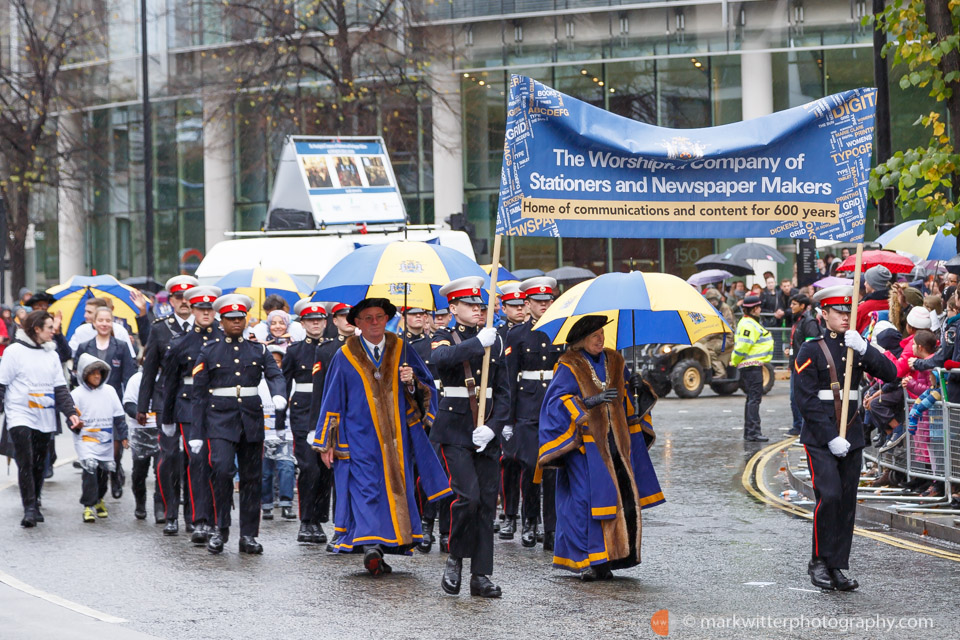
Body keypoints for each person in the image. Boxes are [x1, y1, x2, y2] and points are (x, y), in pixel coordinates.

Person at [310, 298, 449, 576]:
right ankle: (371, 544)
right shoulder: (344, 354)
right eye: (368, 318)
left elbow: (426, 394)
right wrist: (326, 441)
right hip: (358, 435)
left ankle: (384, 545)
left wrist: (411, 382)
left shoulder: (402, 349)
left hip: (397, 437)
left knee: (393, 491)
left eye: (379, 317)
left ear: (388, 319)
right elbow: (332, 397)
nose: (374, 322)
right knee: (365, 490)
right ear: (357, 323)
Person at [538, 315, 665, 580]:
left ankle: (611, 558)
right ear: (581, 339)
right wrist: (589, 402)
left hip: (617, 442)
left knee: (620, 498)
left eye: (602, 333)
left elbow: (630, 399)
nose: (601, 338)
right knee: (586, 500)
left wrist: (640, 387)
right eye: (594, 335)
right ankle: (587, 560)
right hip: (584, 443)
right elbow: (556, 402)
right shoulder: (568, 364)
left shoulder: (616, 359)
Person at [793, 285, 897, 591]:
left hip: (851, 433)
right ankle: (818, 561)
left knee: (846, 502)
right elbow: (806, 399)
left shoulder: (856, 346)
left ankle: (837, 565)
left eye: (848, 312)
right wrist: (828, 437)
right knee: (831, 496)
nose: (845, 317)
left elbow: (890, 374)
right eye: (839, 312)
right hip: (821, 436)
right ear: (824, 314)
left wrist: (867, 349)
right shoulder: (810, 349)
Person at [431, 276, 511, 598]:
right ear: (453, 308)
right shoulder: (442, 336)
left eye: (480, 305)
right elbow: (441, 360)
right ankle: (454, 557)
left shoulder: (496, 340)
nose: (478, 310)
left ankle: (480, 575)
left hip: (486, 431)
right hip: (455, 430)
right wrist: (479, 343)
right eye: (470, 305)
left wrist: (493, 426)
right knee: (469, 497)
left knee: (487, 504)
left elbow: (505, 393)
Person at [192, 294, 286, 554]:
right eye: (230, 319)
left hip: (251, 420)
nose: (236, 322)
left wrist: (279, 393)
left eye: (240, 318)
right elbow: (199, 394)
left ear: (246, 320)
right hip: (219, 419)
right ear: (221, 321)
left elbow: (275, 374)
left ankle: (248, 535)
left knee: (252, 479)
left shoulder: (259, 349)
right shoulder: (209, 350)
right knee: (221, 471)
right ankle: (219, 529)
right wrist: (196, 432)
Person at [0, 311, 83, 527]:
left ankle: (35, 499)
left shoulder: (52, 355)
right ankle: (29, 508)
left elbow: (60, 389)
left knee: (39, 463)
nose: (53, 331)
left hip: (44, 415)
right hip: (20, 414)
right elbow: (2, 385)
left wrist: (71, 413)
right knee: (25, 460)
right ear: (37, 329)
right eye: (49, 327)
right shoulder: (14, 352)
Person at [504, 276, 564, 550]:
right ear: (527, 304)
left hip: (553, 405)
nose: (544, 305)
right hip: (527, 407)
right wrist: (508, 419)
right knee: (529, 465)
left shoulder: (562, 330)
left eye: (547, 301)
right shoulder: (516, 334)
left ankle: (551, 528)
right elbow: (508, 377)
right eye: (538, 301)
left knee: (552, 468)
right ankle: (530, 521)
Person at [158, 286, 223, 540]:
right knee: (197, 463)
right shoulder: (181, 342)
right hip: (188, 407)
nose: (206, 313)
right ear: (193, 309)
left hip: (219, 406)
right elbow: (170, 383)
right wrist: (167, 418)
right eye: (201, 309)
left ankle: (218, 518)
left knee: (218, 463)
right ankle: (200, 520)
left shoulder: (224, 336)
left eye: (210, 309)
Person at [137, 275, 198, 526]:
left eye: (187, 297)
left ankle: (194, 514)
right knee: (169, 457)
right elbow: (150, 370)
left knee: (195, 457)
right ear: (170, 300)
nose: (183, 302)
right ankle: (169, 508)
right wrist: (143, 406)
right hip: (167, 399)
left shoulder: (205, 325)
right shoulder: (160, 328)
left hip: (197, 400)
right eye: (178, 297)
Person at [282, 299, 332, 544]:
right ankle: (305, 520)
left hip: (328, 409)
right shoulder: (294, 351)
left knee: (325, 470)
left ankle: (319, 521)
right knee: (309, 467)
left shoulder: (334, 348)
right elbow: (284, 381)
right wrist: (281, 417)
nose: (315, 324)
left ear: (325, 322)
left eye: (319, 320)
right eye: (310, 320)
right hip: (303, 411)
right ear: (302, 323)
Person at [75, 306, 137, 499]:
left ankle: (115, 473)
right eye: (100, 320)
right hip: (91, 406)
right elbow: (76, 376)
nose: (104, 324)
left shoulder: (121, 346)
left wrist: (131, 401)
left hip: (113, 402)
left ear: (113, 323)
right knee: (93, 449)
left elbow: (129, 376)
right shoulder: (85, 346)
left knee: (115, 447)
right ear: (94, 323)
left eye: (108, 321)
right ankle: (95, 492)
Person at [308, 301, 354, 551]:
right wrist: (318, 429)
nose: (347, 320)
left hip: (364, 418)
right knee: (340, 475)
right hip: (338, 419)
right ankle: (341, 527)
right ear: (333, 321)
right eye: (342, 316)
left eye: (351, 315)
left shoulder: (369, 345)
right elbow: (320, 392)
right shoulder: (326, 350)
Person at [401, 305, 440, 552]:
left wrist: (415, 382)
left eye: (422, 313)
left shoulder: (434, 345)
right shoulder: (397, 345)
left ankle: (427, 523)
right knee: (407, 471)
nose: (418, 317)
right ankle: (409, 523)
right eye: (413, 313)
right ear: (403, 317)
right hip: (403, 417)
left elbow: (432, 383)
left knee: (428, 470)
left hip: (428, 415)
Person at [72, 354, 128, 523]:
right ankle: (88, 505)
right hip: (86, 440)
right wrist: (75, 425)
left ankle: (99, 499)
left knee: (103, 473)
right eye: (93, 373)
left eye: (99, 373)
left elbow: (119, 417)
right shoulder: (77, 394)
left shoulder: (110, 391)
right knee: (90, 470)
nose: (97, 376)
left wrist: (124, 436)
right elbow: (71, 418)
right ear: (84, 374)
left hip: (105, 440)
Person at [496, 282, 526, 540]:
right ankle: (508, 514)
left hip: (528, 404)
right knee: (508, 463)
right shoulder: (498, 333)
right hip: (505, 404)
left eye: (521, 305)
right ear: (503, 308)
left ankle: (531, 517)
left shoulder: (535, 330)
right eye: (513, 306)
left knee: (530, 463)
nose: (518, 310)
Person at [122, 366, 162, 520]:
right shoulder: (136, 379)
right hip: (141, 431)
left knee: (161, 470)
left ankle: (160, 506)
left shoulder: (166, 377)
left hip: (161, 429)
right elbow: (128, 404)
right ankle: (140, 502)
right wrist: (138, 413)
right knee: (139, 471)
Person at [261, 345, 296, 520]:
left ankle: (286, 503)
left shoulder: (290, 380)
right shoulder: (258, 382)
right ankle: (266, 504)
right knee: (265, 471)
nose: (275, 365)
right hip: (264, 433)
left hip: (285, 432)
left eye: (278, 361)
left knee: (287, 467)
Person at [731, 295, 773, 442]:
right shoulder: (748, 324)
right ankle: (753, 432)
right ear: (754, 309)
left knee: (751, 399)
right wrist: (734, 361)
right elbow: (742, 347)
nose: (760, 309)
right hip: (752, 367)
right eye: (759, 307)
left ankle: (750, 432)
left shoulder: (749, 323)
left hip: (752, 366)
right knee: (754, 400)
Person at [787, 293, 821, 436]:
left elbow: (811, 344)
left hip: (803, 367)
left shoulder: (809, 322)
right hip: (795, 364)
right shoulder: (798, 320)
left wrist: (804, 364)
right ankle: (798, 426)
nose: (791, 307)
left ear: (802, 306)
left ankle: (802, 427)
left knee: (798, 397)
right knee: (794, 397)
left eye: (794, 304)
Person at [68, 297, 143, 358]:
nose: (85, 315)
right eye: (85, 311)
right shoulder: (81, 330)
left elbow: (130, 358)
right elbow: (69, 353)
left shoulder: (120, 331)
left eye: (89, 312)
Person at [701, 288, 735, 380]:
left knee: (708, 348)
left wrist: (709, 334)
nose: (712, 302)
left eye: (713, 299)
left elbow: (727, 326)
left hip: (727, 338)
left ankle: (721, 372)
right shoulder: (712, 310)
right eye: (710, 300)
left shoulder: (725, 308)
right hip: (716, 337)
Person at [856, 265, 893, 333]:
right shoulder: (895, 304)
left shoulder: (864, 308)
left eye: (867, 281)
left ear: (873, 284)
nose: (864, 284)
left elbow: (854, 329)